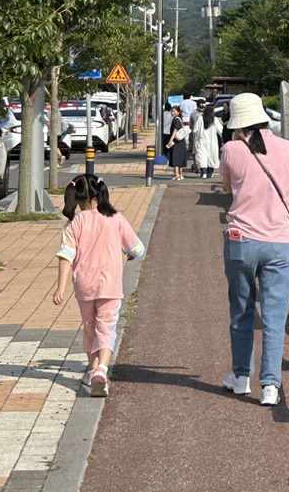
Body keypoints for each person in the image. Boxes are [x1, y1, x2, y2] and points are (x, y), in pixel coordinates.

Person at [219, 93, 289, 407]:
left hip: (241, 240)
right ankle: (270, 386)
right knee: (273, 315)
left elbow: (228, 188)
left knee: (241, 310)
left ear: (237, 124)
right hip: (280, 241)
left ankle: (241, 377)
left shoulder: (231, 149)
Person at [52, 175, 144, 397]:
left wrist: (60, 287)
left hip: (84, 285)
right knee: (106, 327)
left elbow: (66, 256)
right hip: (110, 284)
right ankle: (102, 368)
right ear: (99, 193)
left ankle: (93, 370)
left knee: (89, 326)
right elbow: (137, 248)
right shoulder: (116, 218)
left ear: (79, 198)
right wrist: (128, 254)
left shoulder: (76, 223)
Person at [194, 101, 222, 180]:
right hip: (213, 141)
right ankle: (209, 173)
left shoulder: (200, 118)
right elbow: (221, 130)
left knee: (202, 156)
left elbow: (195, 130)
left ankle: (203, 173)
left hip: (202, 140)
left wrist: (195, 139)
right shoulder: (215, 119)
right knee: (212, 156)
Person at [166, 105, 189, 181]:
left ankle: (177, 175)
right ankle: (180, 174)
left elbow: (175, 130)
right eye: (172, 111)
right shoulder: (178, 120)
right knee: (180, 158)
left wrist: (171, 139)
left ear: (178, 112)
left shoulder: (176, 120)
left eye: (174, 111)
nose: (172, 113)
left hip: (176, 141)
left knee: (175, 157)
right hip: (180, 141)